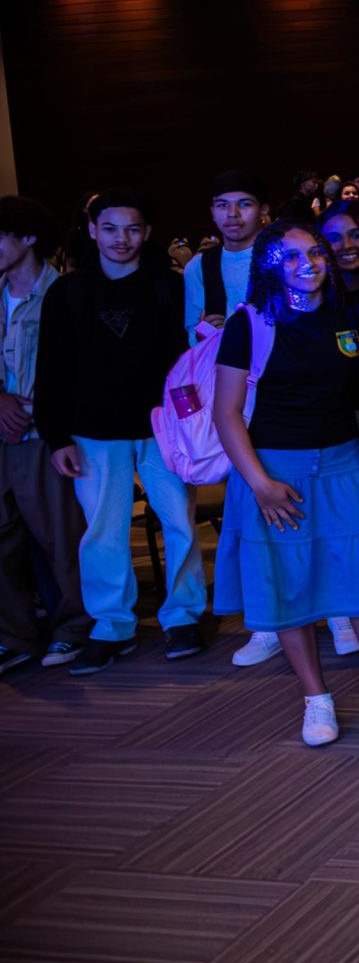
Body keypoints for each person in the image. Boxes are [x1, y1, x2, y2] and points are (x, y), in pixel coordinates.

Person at [209, 221, 359, 746]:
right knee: (289, 581)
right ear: (269, 266)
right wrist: (259, 484)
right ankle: (316, 697)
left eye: (315, 252)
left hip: (344, 462)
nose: (308, 263)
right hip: (276, 472)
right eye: (291, 256)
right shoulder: (250, 322)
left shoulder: (347, 314)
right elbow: (226, 413)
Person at [33, 191, 198, 673]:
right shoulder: (68, 292)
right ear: (92, 230)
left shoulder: (169, 286)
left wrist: (191, 426)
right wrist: (57, 436)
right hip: (92, 431)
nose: (120, 239)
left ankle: (183, 617)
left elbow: (189, 362)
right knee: (102, 532)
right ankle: (112, 625)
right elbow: (53, 368)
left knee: (181, 523)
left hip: (163, 430)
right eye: (109, 228)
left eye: (131, 229)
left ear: (147, 233)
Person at [0, 195, 88, 674]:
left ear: (29, 237)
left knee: (61, 538)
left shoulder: (64, 293)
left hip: (44, 433)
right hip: (3, 430)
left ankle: (75, 628)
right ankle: (13, 635)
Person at [183, 169, 267, 344]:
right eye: (222, 205)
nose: (232, 213)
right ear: (212, 212)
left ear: (263, 210)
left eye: (244, 204)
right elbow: (192, 332)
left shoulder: (284, 257)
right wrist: (202, 333)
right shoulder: (199, 265)